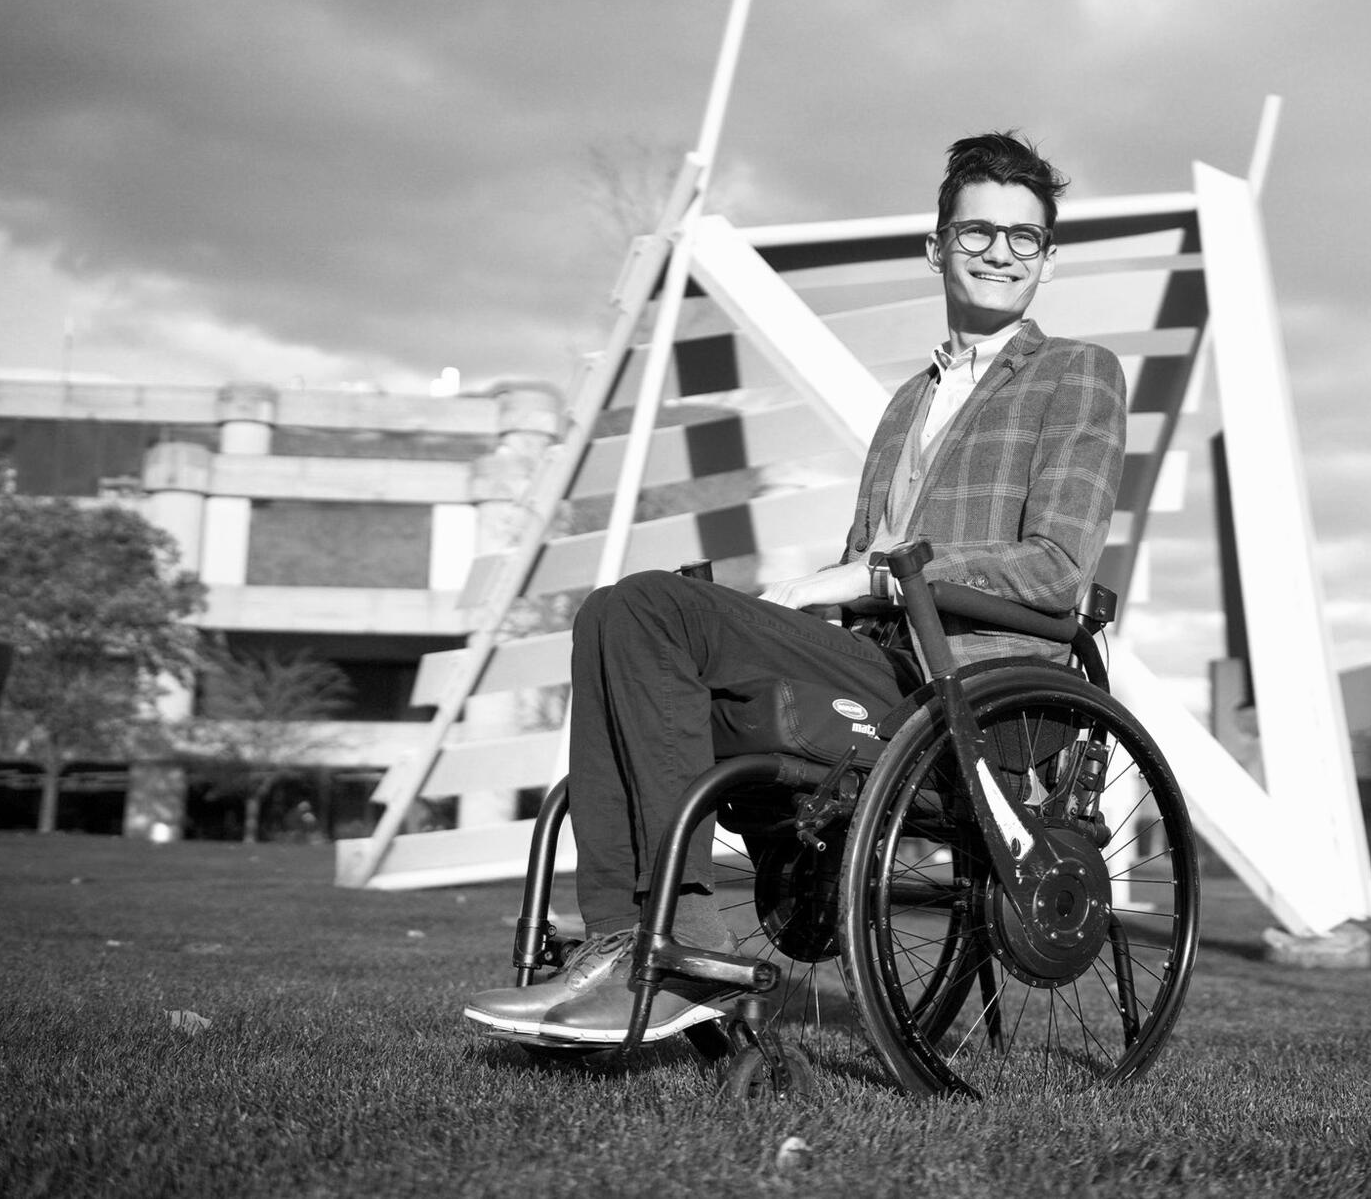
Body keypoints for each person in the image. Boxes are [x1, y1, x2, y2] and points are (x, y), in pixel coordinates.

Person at [464, 131, 1127, 1045]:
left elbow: (1056, 568)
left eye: (1025, 237)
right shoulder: (908, 404)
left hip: (977, 684)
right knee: (614, 613)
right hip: (881, 665)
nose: (1000, 253)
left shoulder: (1077, 373)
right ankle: (620, 944)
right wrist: (810, 601)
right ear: (936, 248)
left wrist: (872, 571)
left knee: (654, 608)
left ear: (1048, 259)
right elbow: (861, 577)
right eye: (977, 232)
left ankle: (678, 951)